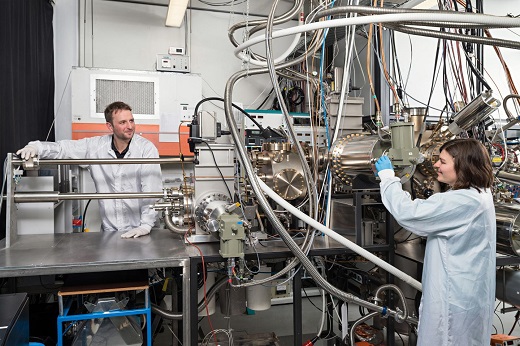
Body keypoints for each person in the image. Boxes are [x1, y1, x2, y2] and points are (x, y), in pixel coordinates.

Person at [375, 138, 496, 346]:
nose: (436, 165)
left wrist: (387, 177)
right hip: (465, 294)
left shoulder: (463, 201)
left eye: (443, 161)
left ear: (463, 165)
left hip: (454, 302)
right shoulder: (478, 193)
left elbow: (409, 213)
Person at [16, 101, 163, 238]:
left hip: (140, 231)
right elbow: (63, 148)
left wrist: (145, 225)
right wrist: (36, 147)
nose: (130, 126)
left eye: (131, 120)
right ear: (110, 126)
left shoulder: (146, 149)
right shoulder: (96, 146)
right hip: (109, 231)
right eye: (123, 122)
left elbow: (152, 191)